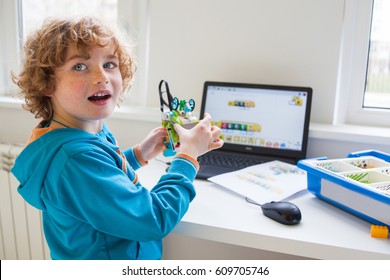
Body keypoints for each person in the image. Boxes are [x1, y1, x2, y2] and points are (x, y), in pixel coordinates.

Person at [11, 16, 223, 260]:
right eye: (80, 66)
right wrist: (187, 157)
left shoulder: (79, 130)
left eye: (110, 64)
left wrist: (139, 154)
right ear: (47, 83)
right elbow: (153, 219)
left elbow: (102, 179)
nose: (101, 77)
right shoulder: (75, 158)